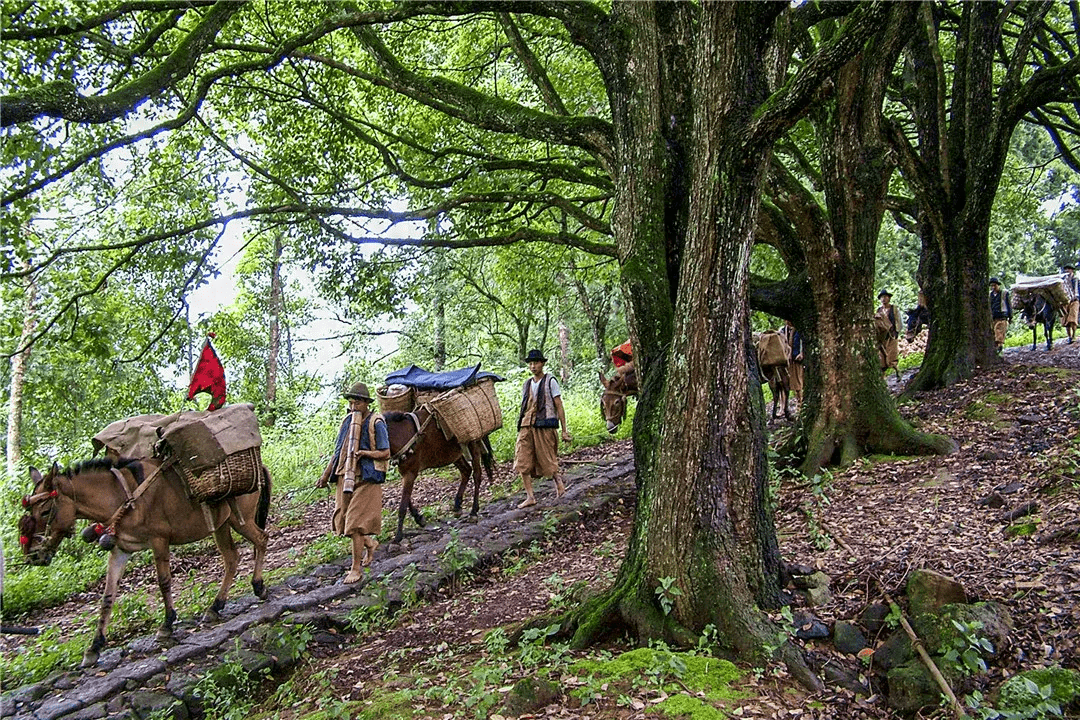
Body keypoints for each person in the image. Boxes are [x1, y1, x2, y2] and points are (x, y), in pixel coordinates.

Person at [316, 382, 390, 584]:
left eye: (357, 402)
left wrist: (364, 453)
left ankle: (355, 569)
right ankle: (369, 544)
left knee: (356, 524)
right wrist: (325, 475)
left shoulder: (377, 421)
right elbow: (338, 450)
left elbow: (385, 453)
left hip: (366, 478)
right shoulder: (347, 421)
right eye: (351, 402)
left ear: (366, 403)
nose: (353, 406)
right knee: (343, 520)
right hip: (344, 476)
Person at [514, 349, 572, 508]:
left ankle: (559, 484)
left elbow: (559, 405)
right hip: (527, 425)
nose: (533, 366)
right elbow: (525, 405)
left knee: (547, 458)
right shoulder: (527, 384)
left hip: (544, 425)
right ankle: (530, 496)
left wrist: (564, 430)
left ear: (542, 364)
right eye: (531, 363)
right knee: (522, 459)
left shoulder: (550, 381)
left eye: (536, 363)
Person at [778, 319, 803, 408]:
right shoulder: (782, 330)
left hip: (796, 360)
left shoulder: (799, 330)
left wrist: (801, 353)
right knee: (783, 385)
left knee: (797, 383)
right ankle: (783, 407)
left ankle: (800, 405)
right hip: (785, 361)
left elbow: (803, 342)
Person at [875, 290, 899, 377]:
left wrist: (897, 331)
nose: (883, 299)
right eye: (882, 297)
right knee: (882, 356)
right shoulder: (879, 310)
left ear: (889, 298)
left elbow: (898, 320)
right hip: (883, 336)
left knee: (892, 355)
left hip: (892, 335)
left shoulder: (894, 308)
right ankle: (883, 376)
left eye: (885, 297)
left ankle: (897, 372)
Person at [989, 277, 1012, 354]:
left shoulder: (1004, 293)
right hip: (993, 317)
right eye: (992, 286)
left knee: (999, 331)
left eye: (994, 285)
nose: (993, 287)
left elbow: (1009, 305)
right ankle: (996, 348)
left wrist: (1010, 316)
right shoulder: (990, 295)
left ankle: (1000, 346)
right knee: (994, 332)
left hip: (1002, 316)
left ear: (998, 285)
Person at [1064, 264, 1078, 344]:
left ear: (1072, 270)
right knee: (1066, 320)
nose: (1067, 271)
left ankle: (1074, 336)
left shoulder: (1076, 279)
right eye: (1066, 269)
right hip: (1066, 301)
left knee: (1073, 318)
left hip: (1075, 300)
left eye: (1068, 269)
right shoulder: (1063, 280)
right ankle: (1069, 336)